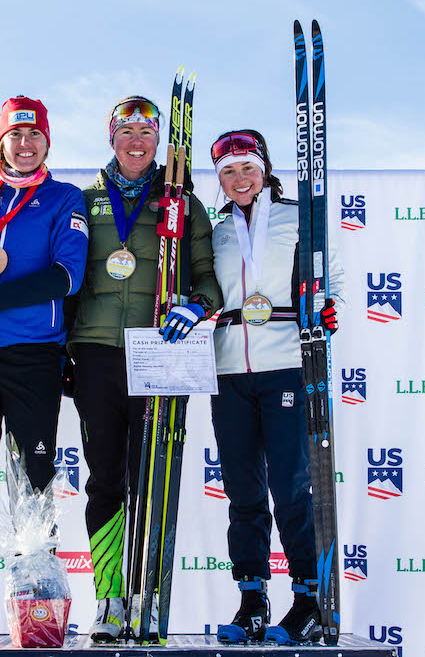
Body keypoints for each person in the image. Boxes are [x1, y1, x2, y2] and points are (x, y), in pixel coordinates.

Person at [65, 95, 223, 641]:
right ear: (112, 138)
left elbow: (209, 282)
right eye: (126, 130)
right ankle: (109, 598)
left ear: (159, 141)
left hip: (160, 352)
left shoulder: (184, 203)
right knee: (106, 479)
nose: (137, 141)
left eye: (147, 132)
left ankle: (145, 595)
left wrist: (194, 307)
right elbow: (66, 281)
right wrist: (63, 352)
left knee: (152, 480)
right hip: (97, 353)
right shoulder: (84, 200)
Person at [0, 95, 89, 644]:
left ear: (47, 142)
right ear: (0, 143)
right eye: (15, 136)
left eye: (35, 137)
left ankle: (38, 603)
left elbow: (66, 277)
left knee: (34, 480)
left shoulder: (63, 198)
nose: (25, 146)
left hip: (34, 357)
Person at [207, 129, 344, 645]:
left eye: (247, 168)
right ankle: (252, 601)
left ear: (264, 171)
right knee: (242, 491)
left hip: (287, 360)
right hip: (228, 369)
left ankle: (309, 601)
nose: (239, 179)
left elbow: (333, 278)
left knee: (289, 486)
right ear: (219, 180)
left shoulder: (295, 217)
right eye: (228, 172)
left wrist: (331, 308)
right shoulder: (217, 231)